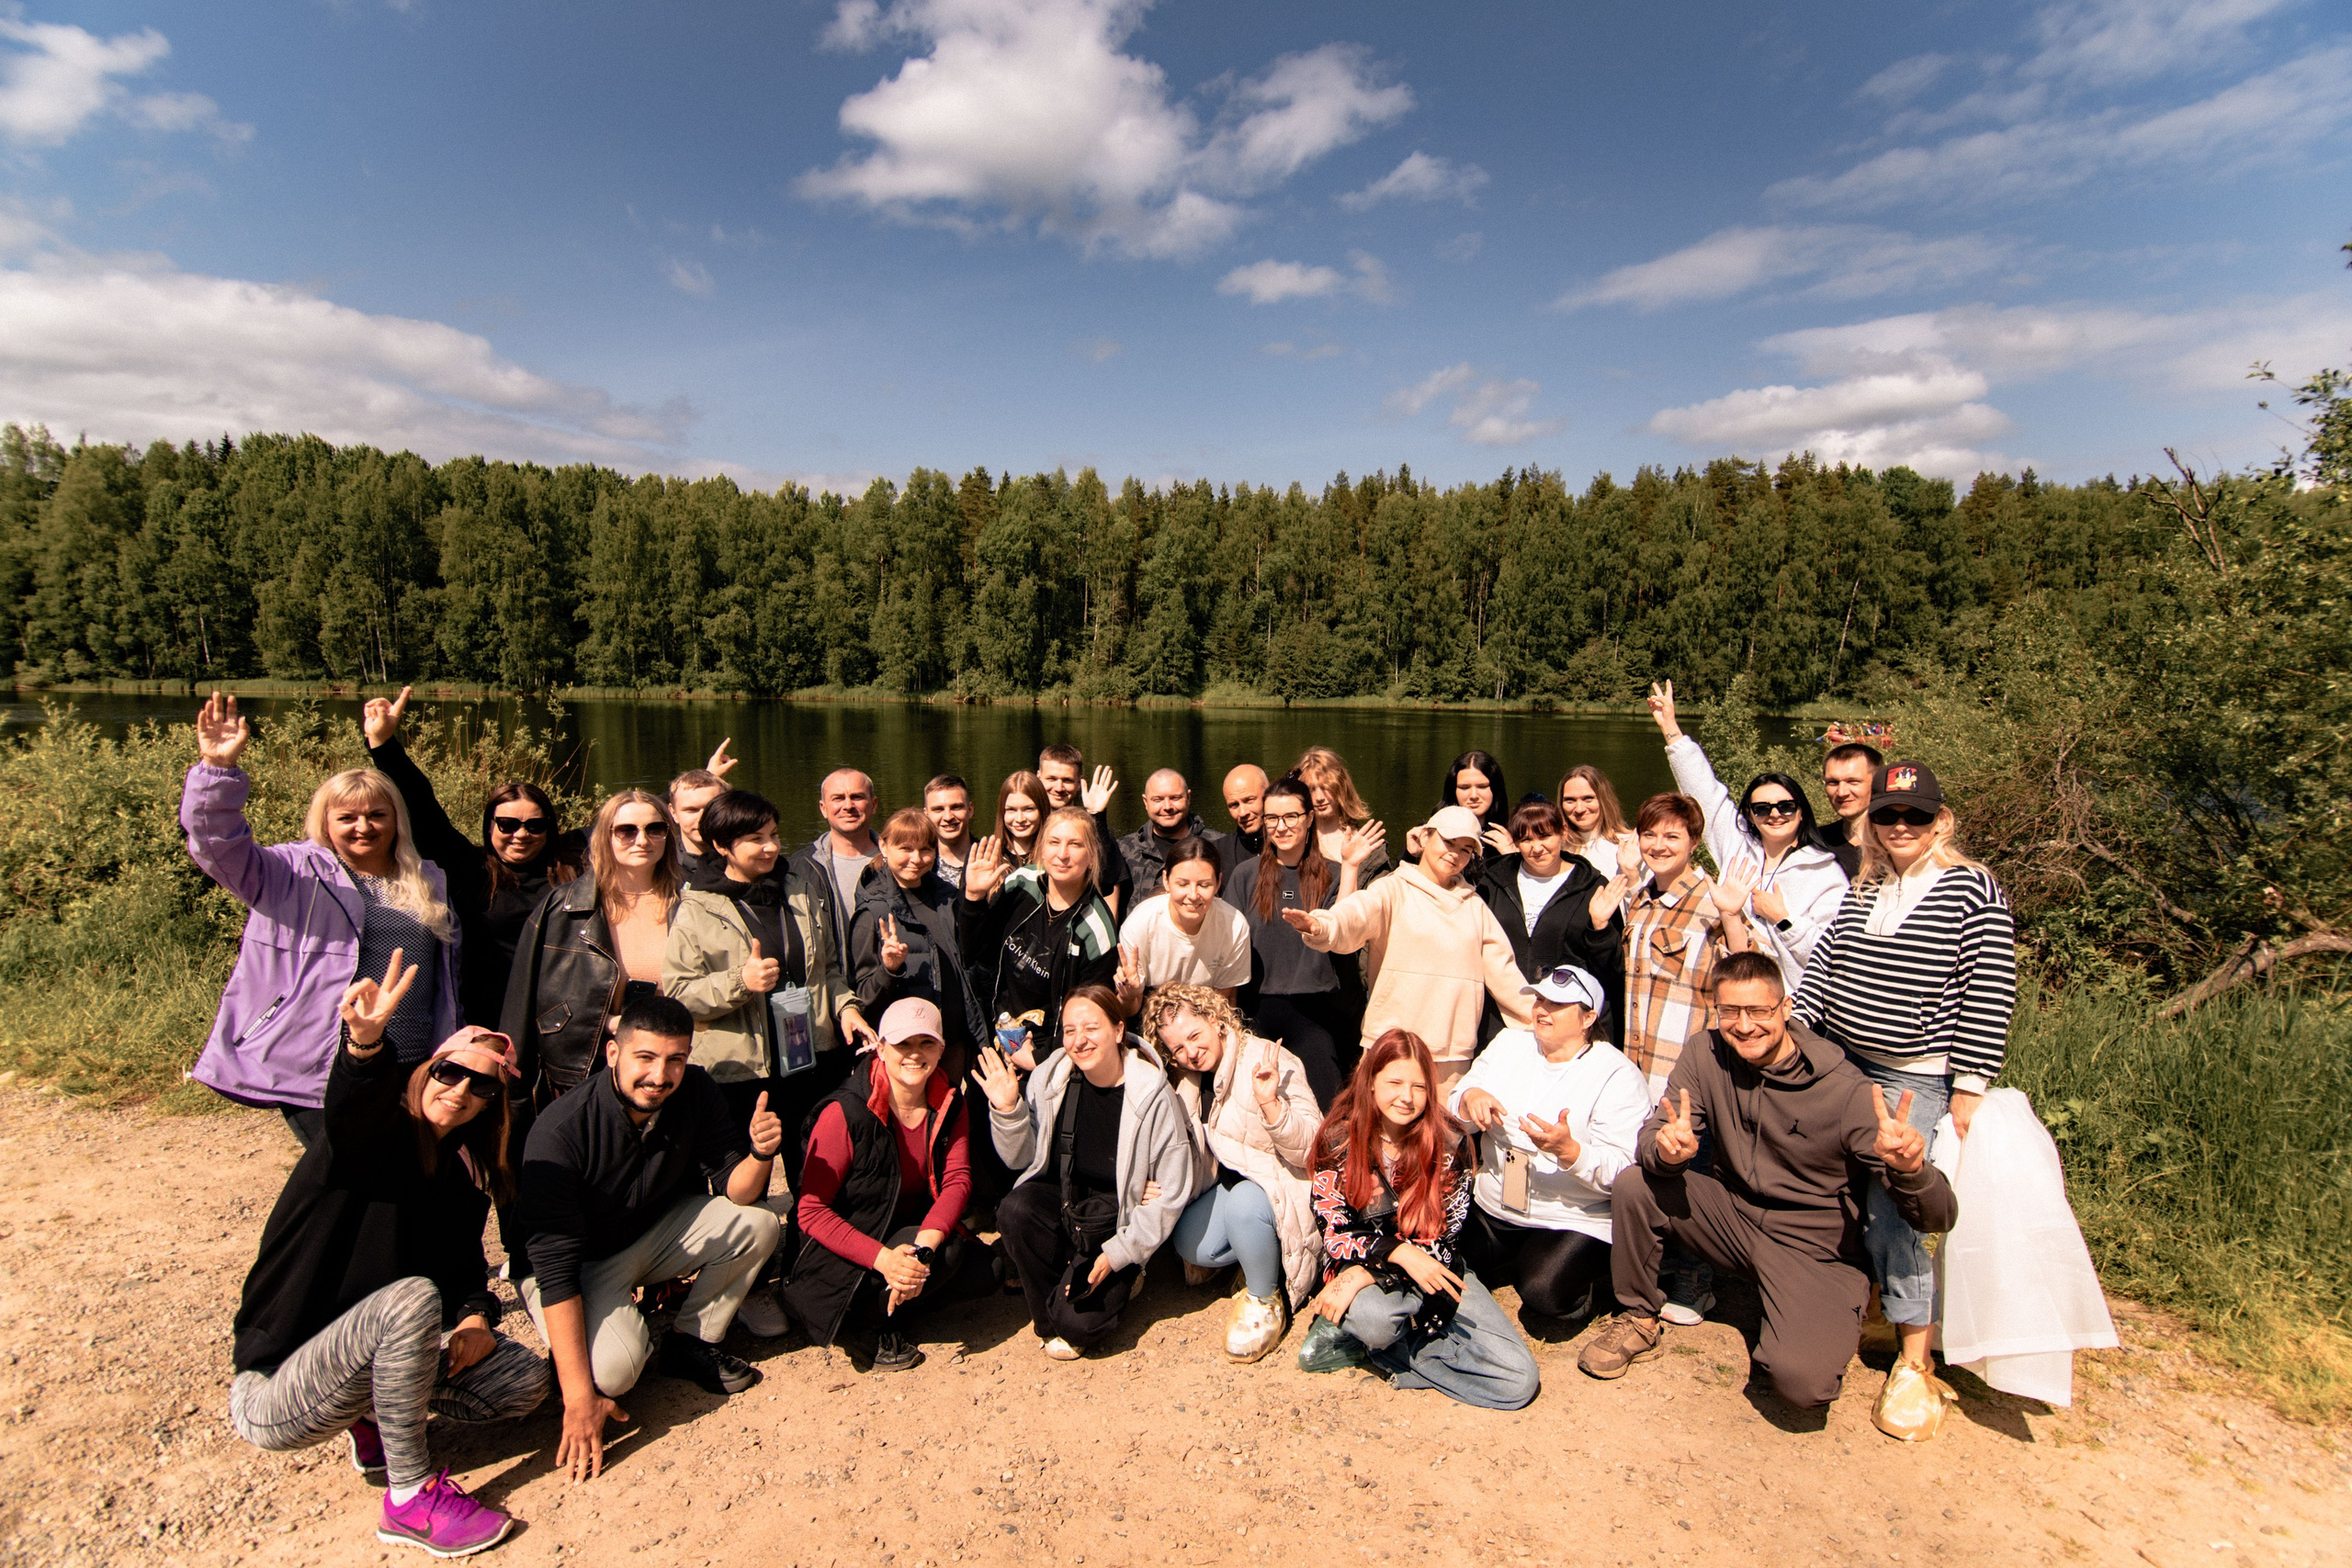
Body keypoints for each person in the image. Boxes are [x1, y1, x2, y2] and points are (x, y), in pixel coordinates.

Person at [229, 958, 548, 1558]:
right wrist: (365, 1042)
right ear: (427, 1069)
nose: (461, 1090)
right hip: (277, 1389)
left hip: (358, 1366)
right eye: (450, 1071)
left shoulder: (459, 1178)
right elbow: (354, 1112)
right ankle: (409, 1497)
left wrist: (477, 1316)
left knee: (525, 1381)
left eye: (482, 1086)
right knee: (411, 1301)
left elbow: (462, 1270)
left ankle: (370, 1420)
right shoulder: (362, 1145)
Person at [1577, 953, 1959, 1422]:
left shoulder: (1844, 1090)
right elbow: (1654, 1136)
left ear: (1786, 1008)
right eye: (1730, 1011)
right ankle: (1638, 1316)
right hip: (1732, 1218)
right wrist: (1666, 1151)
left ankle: (1823, 1316)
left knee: (1803, 1387)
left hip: (1812, 1245)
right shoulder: (1705, 1052)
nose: (1744, 1025)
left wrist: (1911, 1169)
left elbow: (1939, 1216)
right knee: (1639, 1182)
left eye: (1759, 1011)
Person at [1791, 760, 2017, 1404]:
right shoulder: (1865, 886)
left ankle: (1916, 1357)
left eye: (1915, 814)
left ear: (1940, 820)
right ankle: (1862, 1305)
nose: (1900, 825)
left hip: (1914, 1076)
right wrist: (1798, 1032)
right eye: (1887, 814)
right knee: (1836, 1186)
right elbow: (1825, 968)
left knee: (1896, 1204)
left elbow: (1990, 988)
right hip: (1842, 1061)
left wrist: (1971, 1085)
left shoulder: (1972, 889)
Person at [511, 995, 783, 1483]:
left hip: (642, 1236)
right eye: (646, 1058)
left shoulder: (694, 1091)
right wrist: (578, 1399)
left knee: (758, 1225)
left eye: (675, 1059)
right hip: (574, 1268)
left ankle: (690, 1339)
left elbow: (737, 1190)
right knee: (612, 1376)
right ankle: (592, 1342)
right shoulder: (560, 1131)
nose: (660, 1075)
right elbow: (553, 1270)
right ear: (613, 1054)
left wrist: (762, 1153)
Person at [183, 692, 460, 1148]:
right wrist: (217, 772)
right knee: (347, 1178)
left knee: (406, 1179)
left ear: (396, 820)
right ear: (325, 822)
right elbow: (216, 844)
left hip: (413, 1062)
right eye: (347, 817)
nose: (363, 826)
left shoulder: (427, 879)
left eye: (377, 815)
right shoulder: (286, 873)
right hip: (326, 1064)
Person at [1298, 1028, 1539, 1410]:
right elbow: (1335, 1231)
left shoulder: (1451, 1142)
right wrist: (1394, 1257)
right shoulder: (1338, 1140)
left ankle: (1385, 1354)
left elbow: (1447, 1236)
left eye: (1419, 1086)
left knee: (1518, 1382)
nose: (1406, 1097)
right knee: (1376, 1320)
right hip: (1365, 1272)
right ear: (1371, 1082)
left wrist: (1373, 1269)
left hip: (1432, 1265)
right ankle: (1380, 1335)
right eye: (1394, 1082)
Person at [663, 787, 873, 1204]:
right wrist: (741, 982)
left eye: (774, 835)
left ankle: (813, 1254)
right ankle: (751, 1263)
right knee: (745, 1185)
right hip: (740, 1071)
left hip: (808, 1057)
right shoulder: (696, 908)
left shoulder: (798, 889)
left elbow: (826, 970)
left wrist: (846, 1008)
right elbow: (679, 994)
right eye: (756, 839)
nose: (771, 847)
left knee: (818, 1168)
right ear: (722, 846)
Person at [974, 985, 1195, 1359]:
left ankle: (1116, 1280)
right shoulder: (1053, 1076)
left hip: (1117, 1221)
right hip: (1067, 1203)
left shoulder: (1151, 1093)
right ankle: (1052, 1312)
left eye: (1091, 1027)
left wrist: (1119, 1254)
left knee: (1080, 1326)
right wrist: (1009, 1110)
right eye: (1070, 1030)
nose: (1079, 1040)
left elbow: (1171, 1192)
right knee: (1014, 1210)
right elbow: (1021, 1160)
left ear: (1118, 1030)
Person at [359, 686, 589, 1029]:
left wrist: (697, 781)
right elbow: (422, 808)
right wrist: (383, 744)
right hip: (484, 1019)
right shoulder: (468, 868)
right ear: (490, 825)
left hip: (559, 1018)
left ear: (550, 828)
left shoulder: (572, 864)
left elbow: (633, 815)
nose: (521, 834)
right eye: (508, 824)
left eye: (535, 825)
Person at [785, 998, 987, 1373]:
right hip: (845, 1243)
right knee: (938, 1266)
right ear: (880, 1047)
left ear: (942, 1048)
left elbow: (957, 1179)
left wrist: (921, 1251)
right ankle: (869, 1321)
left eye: (926, 1043)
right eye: (902, 1044)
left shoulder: (948, 1102)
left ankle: (898, 1292)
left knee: (974, 1267)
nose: (914, 1054)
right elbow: (811, 1211)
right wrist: (886, 1261)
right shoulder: (844, 1113)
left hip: (898, 1226)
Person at [1288, 805, 1533, 1096]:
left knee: (1444, 1137)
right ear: (1425, 837)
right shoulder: (1393, 889)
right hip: (1390, 1044)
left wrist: (1546, 1018)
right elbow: (1356, 914)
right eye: (1448, 842)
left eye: (1466, 849)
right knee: (1376, 1134)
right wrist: (1323, 926)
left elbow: (1505, 975)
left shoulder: (1475, 907)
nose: (1455, 854)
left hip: (1452, 1053)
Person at [1450, 964, 1645, 1325]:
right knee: (1442, 1258)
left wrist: (1570, 1152)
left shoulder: (1617, 1074)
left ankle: (1578, 1282)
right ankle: (1513, 1257)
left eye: (1557, 1004)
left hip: (1572, 1215)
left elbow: (1625, 1169)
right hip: (1496, 1204)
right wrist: (1469, 1098)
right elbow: (1455, 1105)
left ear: (1588, 1018)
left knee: (1545, 1293)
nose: (1542, 1009)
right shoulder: (1510, 1043)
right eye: (1540, 999)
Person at [1143, 984, 1321, 1362]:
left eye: (1194, 1035)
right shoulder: (1190, 1083)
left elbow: (1313, 1152)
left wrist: (1272, 1105)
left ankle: (1264, 1297)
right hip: (1239, 1184)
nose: (1190, 1052)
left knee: (1243, 1203)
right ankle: (1253, 1252)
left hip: (1284, 1186)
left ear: (1216, 1019)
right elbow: (1195, 1157)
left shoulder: (1267, 1059)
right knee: (1192, 1244)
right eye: (1177, 1048)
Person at [1649, 679, 1849, 992]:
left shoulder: (1824, 872)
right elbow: (1704, 791)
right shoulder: (1738, 846)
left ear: (1801, 812)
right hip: (1736, 993)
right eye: (1762, 808)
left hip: (1793, 1005)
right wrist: (1671, 730)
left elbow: (1833, 957)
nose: (1774, 814)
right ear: (1751, 816)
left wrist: (1783, 919)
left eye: (1785, 806)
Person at [500, 790, 678, 1108]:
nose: (642, 840)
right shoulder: (561, 909)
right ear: (604, 836)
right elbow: (525, 1006)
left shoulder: (691, 906)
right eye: (626, 830)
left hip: (673, 1072)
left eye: (655, 829)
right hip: (585, 1076)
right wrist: (610, 1023)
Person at [1222, 778, 1385, 1108]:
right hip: (1258, 1009)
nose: (1281, 827)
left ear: (1310, 818)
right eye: (1272, 818)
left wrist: (1351, 866)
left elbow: (1346, 933)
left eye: (1291, 817)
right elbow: (1227, 950)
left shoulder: (1334, 874)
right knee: (1255, 1108)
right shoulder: (1245, 875)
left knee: (1328, 1107)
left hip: (1317, 1010)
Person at [1584, 793, 1743, 1107]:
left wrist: (1732, 917)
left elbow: (1747, 975)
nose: (1658, 846)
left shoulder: (1715, 902)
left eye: (1672, 836)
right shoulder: (1641, 900)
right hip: (1635, 1076)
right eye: (1650, 835)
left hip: (1689, 1080)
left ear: (1694, 841)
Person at [956, 807, 1132, 1072]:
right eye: (1054, 842)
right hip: (996, 1031)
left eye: (1075, 844)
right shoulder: (1020, 884)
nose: (1062, 854)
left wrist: (1037, 1058)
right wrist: (973, 898)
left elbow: (1091, 1016)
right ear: (1042, 848)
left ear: (1092, 857)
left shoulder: (1096, 930)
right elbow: (973, 951)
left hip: (1050, 1053)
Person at [1474, 799, 1620, 1033]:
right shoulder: (1491, 880)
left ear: (1563, 832)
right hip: (1500, 1019)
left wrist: (1600, 928)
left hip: (1565, 1021)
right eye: (1526, 840)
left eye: (1545, 837)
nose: (1536, 848)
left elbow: (1610, 971)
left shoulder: (1593, 886)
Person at [850, 807, 988, 1055]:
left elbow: (974, 955)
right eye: (905, 849)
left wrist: (975, 899)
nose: (916, 858)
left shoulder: (947, 898)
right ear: (883, 845)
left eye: (925, 849)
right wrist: (889, 970)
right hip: (908, 1050)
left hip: (954, 1041)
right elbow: (864, 1000)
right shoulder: (872, 912)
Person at [1118, 838, 1250, 1000]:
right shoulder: (1139, 923)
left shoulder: (1234, 925)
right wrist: (1129, 995)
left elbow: (1225, 1001)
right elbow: (1129, 1009)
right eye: (1182, 884)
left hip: (1207, 1012)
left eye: (1204, 885)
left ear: (1218, 883)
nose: (1193, 895)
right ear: (1166, 880)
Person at [790, 768, 880, 966]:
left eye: (857, 797)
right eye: (838, 798)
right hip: (829, 988)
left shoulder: (899, 860)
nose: (848, 806)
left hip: (889, 984)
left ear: (873, 805)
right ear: (823, 808)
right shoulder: (799, 868)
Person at [1036, 742, 1130, 913]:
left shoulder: (1094, 829)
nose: (1059, 788)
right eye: (1051, 779)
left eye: (1067, 780)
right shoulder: (1026, 825)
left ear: (1079, 783)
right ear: (1038, 777)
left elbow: (1108, 885)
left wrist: (1097, 815)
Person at [1294, 745, 1388, 882]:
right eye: (1311, 789)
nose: (1319, 797)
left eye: (1326, 787)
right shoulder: (1295, 841)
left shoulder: (1366, 843)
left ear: (1341, 787)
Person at [1117, 768, 1214, 898]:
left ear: (1188, 797)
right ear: (1146, 802)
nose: (1167, 806)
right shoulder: (1122, 850)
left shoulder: (1217, 846)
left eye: (1175, 798)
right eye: (1158, 800)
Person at [667, 740, 740, 885]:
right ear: (673, 813)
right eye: (691, 810)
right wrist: (709, 775)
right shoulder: (659, 864)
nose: (702, 819)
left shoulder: (748, 861)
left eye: (710, 808)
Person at [1438, 749, 1515, 870]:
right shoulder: (1434, 832)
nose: (1474, 795)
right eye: (1464, 787)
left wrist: (1513, 859)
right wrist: (1410, 854)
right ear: (1453, 791)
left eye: (1482, 787)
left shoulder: (1514, 836)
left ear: (1495, 789)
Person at [1816, 741, 1884, 879]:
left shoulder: (1895, 841)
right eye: (1833, 782)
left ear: (1877, 783)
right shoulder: (1816, 842)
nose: (1841, 792)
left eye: (1853, 782)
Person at [1556, 764, 1635, 880]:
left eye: (1588, 798)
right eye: (1570, 800)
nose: (1579, 809)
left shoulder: (1630, 845)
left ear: (1604, 800)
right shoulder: (1553, 848)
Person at [922, 773, 976, 890]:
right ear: (926, 815)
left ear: (970, 810)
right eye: (938, 809)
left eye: (956, 807)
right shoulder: (917, 865)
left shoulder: (993, 859)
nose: (948, 817)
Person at [991, 770, 1053, 865]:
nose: (1020, 819)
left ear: (1042, 809)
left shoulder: (1056, 855)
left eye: (1028, 809)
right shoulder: (984, 857)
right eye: (1011, 810)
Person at [1219, 762, 1269, 862]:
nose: (1242, 813)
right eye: (1234, 805)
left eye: (1249, 800)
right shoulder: (1218, 853)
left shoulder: (1291, 844)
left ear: (1268, 795)